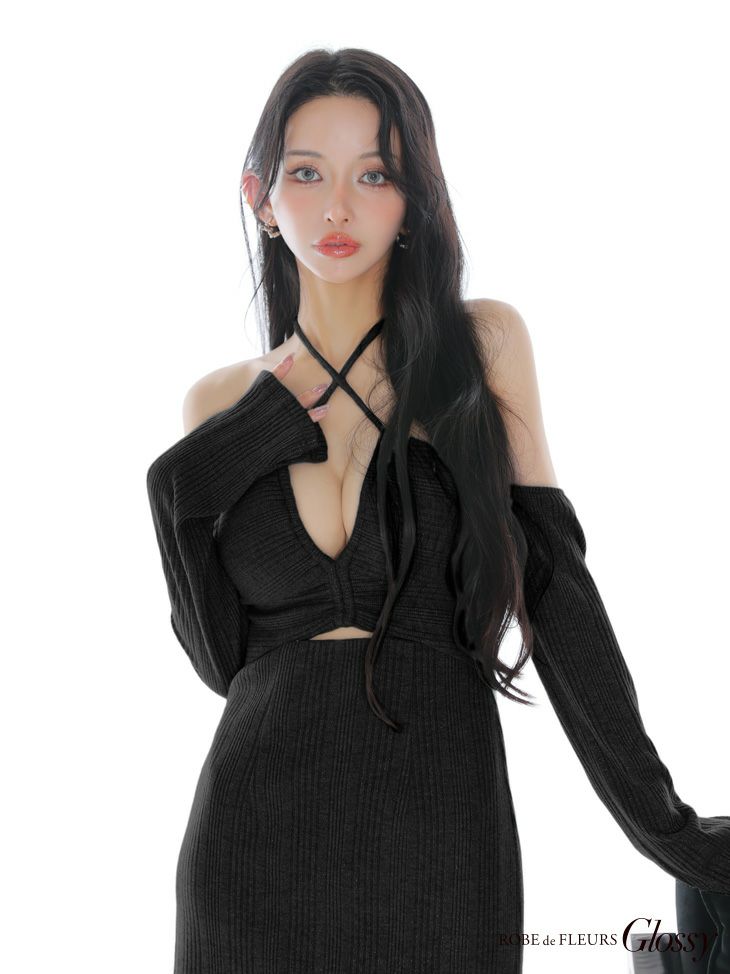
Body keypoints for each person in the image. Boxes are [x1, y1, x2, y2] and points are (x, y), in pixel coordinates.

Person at [146, 47, 730, 974]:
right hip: (249, 843)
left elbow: (558, 594)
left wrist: (669, 829)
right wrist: (193, 473)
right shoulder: (216, 403)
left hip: (439, 824)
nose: (338, 208)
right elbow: (223, 660)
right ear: (261, 197)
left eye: (375, 175)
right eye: (308, 174)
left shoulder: (481, 346)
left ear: (415, 198)